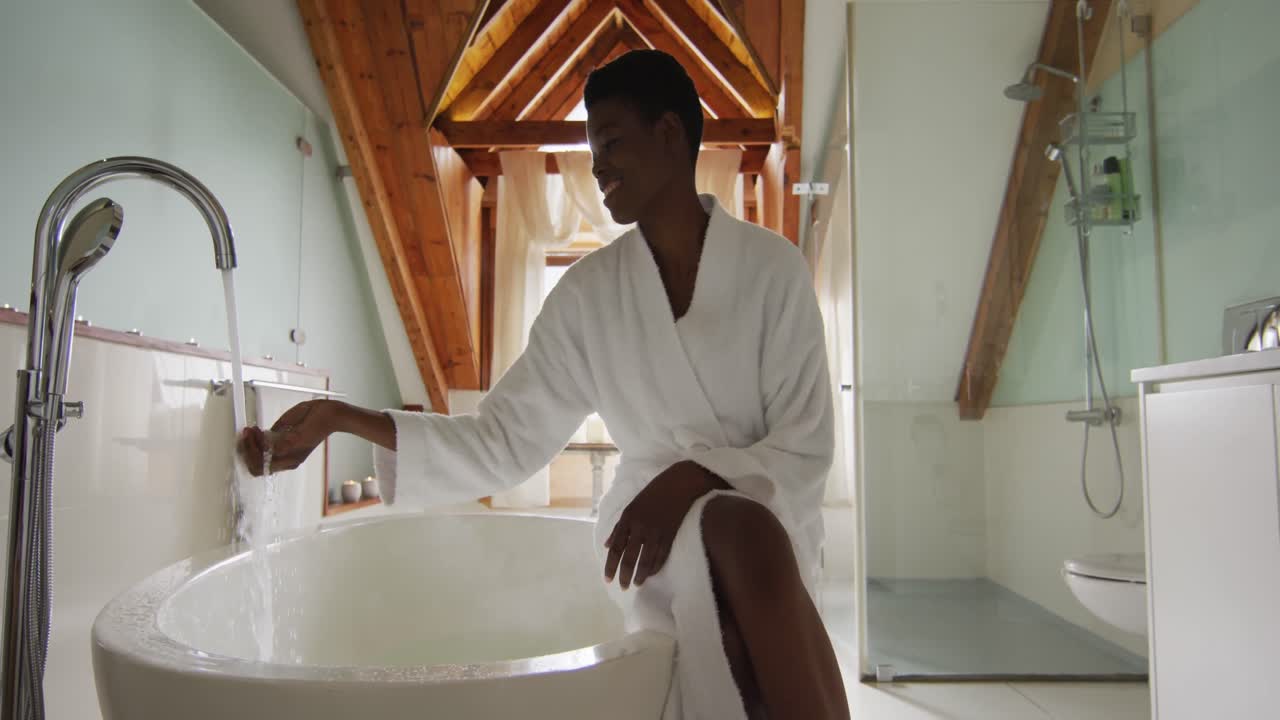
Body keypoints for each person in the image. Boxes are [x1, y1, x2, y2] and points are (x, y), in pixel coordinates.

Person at [238, 49, 849, 719]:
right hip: (643, 528)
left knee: (744, 548)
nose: (599, 167)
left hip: (765, 511)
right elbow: (501, 440)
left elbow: (805, 445)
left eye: (612, 142)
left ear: (670, 134)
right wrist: (341, 417)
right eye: (593, 152)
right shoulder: (589, 295)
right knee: (737, 545)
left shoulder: (773, 271)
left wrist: (696, 476)